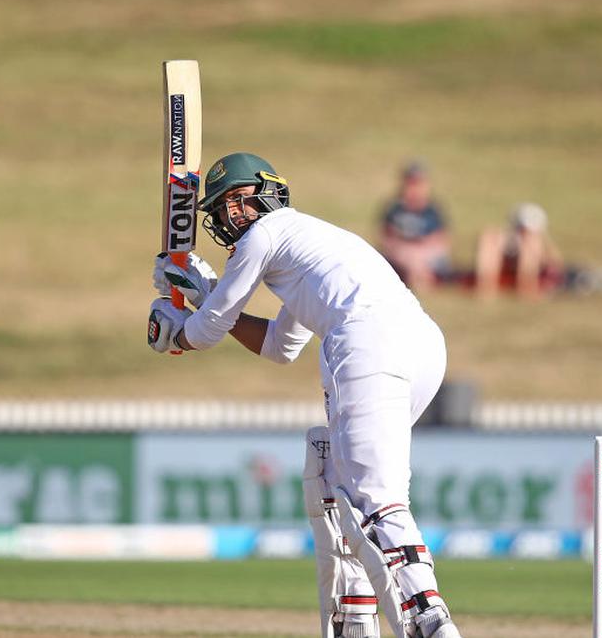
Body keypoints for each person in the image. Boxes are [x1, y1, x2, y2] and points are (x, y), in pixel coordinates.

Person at [147, 152, 463, 638]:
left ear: (267, 192)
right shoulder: (307, 244)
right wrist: (201, 291)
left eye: (238, 199)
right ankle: (357, 621)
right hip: (420, 344)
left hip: (367, 342)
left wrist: (176, 332)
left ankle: (430, 620)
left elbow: (209, 329)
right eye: (223, 207)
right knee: (335, 480)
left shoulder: (264, 235)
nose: (233, 214)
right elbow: (280, 345)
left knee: (375, 499)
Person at [474, 202, 602, 299]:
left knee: (531, 245)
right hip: (512, 270)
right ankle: (488, 288)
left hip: (538, 273)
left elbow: (556, 263)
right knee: (489, 236)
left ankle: (526, 288)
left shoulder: (536, 241)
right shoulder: (500, 238)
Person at [378, 161, 453, 292]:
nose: (414, 188)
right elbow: (386, 238)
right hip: (402, 254)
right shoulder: (395, 209)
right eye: (411, 183)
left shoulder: (433, 210)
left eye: (418, 184)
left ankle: (419, 278)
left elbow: (442, 240)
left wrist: (420, 250)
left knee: (418, 257)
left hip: (426, 254)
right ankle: (420, 279)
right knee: (409, 255)